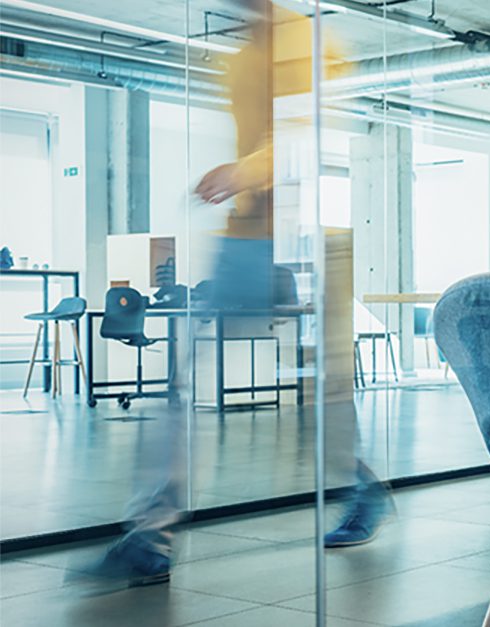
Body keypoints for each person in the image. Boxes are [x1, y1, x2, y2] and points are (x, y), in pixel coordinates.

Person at [75, 1, 390, 591]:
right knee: (184, 376)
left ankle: (360, 485)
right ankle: (150, 534)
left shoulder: (310, 44)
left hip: (311, 236)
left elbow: (303, 140)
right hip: (247, 237)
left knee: (327, 387)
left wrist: (240, 173)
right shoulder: (241, 56)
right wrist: (239, 181)